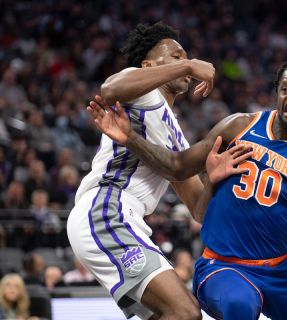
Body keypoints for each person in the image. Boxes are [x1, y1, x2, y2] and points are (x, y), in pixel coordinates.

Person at [89, 59, 287, 319]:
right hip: (222, 268)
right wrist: (129, 138)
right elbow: (177, 166)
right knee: (240, 306)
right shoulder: (240, 126)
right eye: (285, 89)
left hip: (282, 272)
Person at [68, 21, 250, 320]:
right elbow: (110, 89)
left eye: (185, 57)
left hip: (127, 220)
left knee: (178, 315)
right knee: (185, 312)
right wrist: (188, 65)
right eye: (176, 56)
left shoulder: (175, 134)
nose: (185, 63)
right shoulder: (142, 92)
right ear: (148, 66)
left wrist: (215, 182)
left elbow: (198, 210)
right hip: (106, 208)